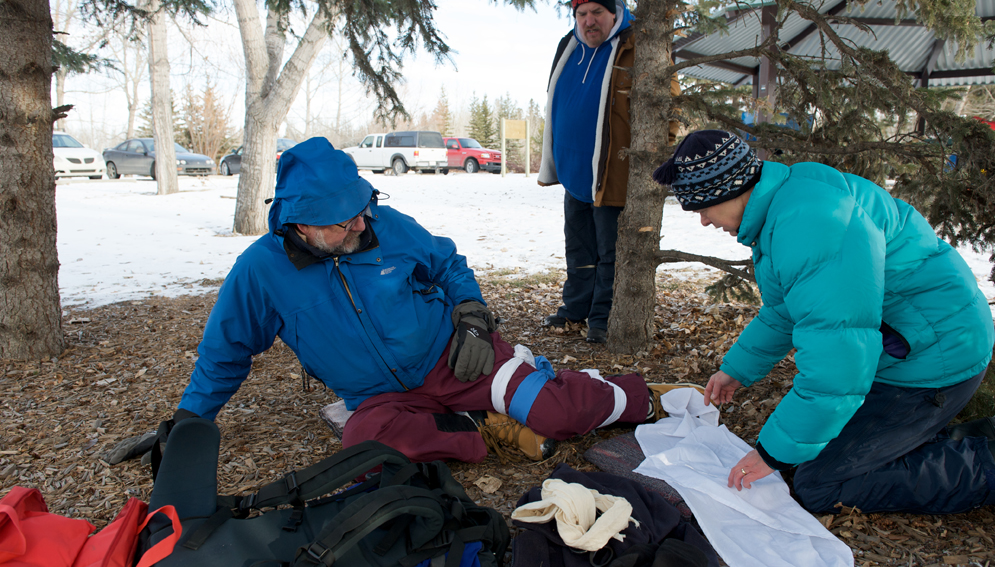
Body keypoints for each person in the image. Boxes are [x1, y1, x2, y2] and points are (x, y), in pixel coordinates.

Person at [160, 137, 659, 464]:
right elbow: (225, 351)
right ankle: (481, 428)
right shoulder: (260, 272)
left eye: (362, 208)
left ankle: (642, 394)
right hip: (383, 399)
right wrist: (189, 423)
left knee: (557, 416)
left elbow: (447, 264)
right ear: (300, 223)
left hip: (459, 361)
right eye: (343, 219)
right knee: (364, 445)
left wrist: (471, 317)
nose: (361, 223)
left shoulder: (383, 225)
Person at [651, 129, 995, 515]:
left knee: (822, 484)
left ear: (728, 190)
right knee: (811, 454)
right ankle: (977, 436)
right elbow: (787, 310)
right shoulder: (788, 205)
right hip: (914, 345)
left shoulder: (811, 224)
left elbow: (839, 359)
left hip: (933, 360)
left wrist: (770, 453)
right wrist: (737, 370)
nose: (704, 222)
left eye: (702, 209)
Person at [537, 0, 679, 344]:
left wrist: (653, 161)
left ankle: (601, 320)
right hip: (574, 173)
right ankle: (576, 308)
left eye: (596, 12)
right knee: (579, 248)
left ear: (613, 11)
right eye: (581, 14)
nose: (588, 21)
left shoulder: (636, 45)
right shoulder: (569, 45)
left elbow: (667, 108)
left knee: (608, 253)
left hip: (610, 175)